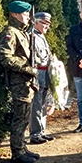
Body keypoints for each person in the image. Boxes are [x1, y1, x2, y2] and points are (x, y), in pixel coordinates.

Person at [0, 0, 39, 163]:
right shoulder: (10, 32)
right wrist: (27, 69)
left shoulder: (23, 32)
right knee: (20, 117)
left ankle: (22, 147)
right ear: (15, 14)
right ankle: (17, 152)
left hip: (26, 82)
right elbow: (5, 57)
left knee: (25, 116)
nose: (28, 17)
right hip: (18, 82)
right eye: (25, 14)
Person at [29, 12, 55, 144]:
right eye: (44, 23)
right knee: (37, 104)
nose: (47, 27)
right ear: (35, 22)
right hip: (37, 74)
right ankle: (35, 133)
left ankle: (41, 131)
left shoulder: (41, 37)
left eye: (48, 24)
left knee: (42, 104)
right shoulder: (31, 36)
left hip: (44, 74)